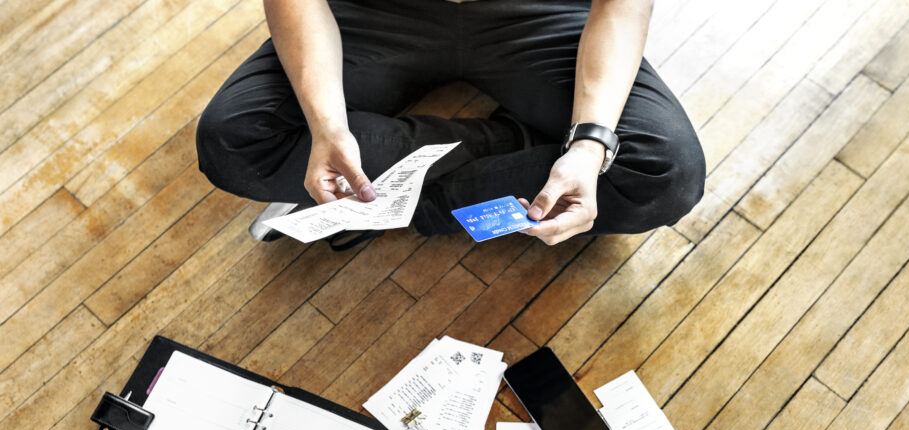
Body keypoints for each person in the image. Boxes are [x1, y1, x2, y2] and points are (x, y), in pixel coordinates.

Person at [196, 0, 705, 248]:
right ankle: (514, 143)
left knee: (665, 175)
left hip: (540, 12)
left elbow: (622, 7)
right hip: (376, 10)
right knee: (234, 142)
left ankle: (390, 207)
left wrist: (590, 146)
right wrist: (326, 124)